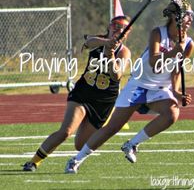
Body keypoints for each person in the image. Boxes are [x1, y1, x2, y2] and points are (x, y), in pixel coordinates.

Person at [64, 0, 194, 174]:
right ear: (175, 17)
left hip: (159, 89)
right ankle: (76, 160)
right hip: (138, 85)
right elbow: (153, 62)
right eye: (187, 15)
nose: (190, 20)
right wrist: (173, 52)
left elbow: (176, 69)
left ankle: (132, 144)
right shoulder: (158, 33)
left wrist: (177, 92)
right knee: (112, 128)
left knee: (172, 113)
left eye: (191, 16)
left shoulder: (188, 43)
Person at [23, 15, 132, 171]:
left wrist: (110, 54)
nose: (119, 31)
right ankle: (33, 162)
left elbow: (116, 75)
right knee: (65, 132)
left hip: (103, 101)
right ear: (109, 26)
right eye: (117, 26)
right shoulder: (97, 40)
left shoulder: (124, 52)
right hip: (83, 93)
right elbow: (88, 43)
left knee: (80, 145)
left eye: (124, 29)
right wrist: (107, 43)